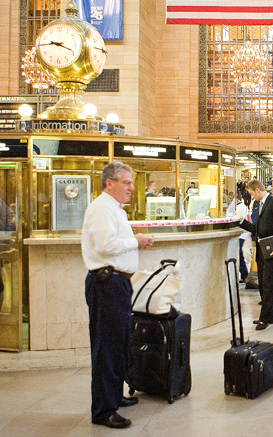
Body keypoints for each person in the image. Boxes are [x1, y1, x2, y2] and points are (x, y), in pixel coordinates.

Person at [82, 161, 154, 429]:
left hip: (117, 283)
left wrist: (135, 241)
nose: (131, 188)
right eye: (126, 182)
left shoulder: (115, 210)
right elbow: (105, 245)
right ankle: (103, 410)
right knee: (107, 348)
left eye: (132, 182)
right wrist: (135, 241)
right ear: (109, 183)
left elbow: (114, 243)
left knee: (119, 343)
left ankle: (113, 395)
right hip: (106, 284)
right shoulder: (102, 208)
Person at [238, 179, 273, 331]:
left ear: (257, 190)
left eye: (252, 193)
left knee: (268, 285)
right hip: (263, 250)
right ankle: (269, 316)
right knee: (264, 285)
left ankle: (265, 318)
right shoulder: (260, 205)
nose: (252, 196)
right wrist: (242, 222)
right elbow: (257, 229)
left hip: (272, 249)